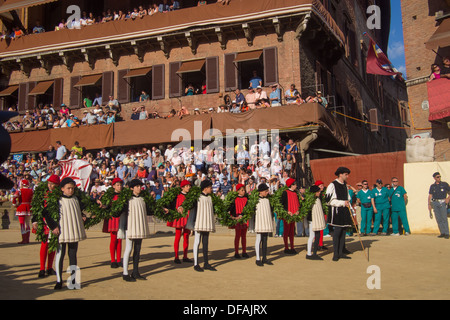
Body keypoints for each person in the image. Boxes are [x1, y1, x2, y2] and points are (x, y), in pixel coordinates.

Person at [42, 178, 87, 290]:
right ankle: (59, 280)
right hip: (61, 231)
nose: (70, 190)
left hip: (73, 231)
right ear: (62, 189)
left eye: (72, 188)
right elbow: (46, 213)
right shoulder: (57, 200)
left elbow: (81, 209)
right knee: (60, 255)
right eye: (68, 188)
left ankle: (73, 280)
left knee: (73, 255)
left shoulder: (76, 199)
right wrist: (53, 226)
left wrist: (83, 215)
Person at [116, 179, 153, 281]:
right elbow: (117, 212)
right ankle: (125, 273)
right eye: (136, 186)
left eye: (140, 186)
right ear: (132, 188)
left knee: (137, 250)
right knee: (128, 249)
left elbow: (149, 211)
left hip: (139, 227)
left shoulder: (143, 199)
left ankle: (135, 272)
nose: (139, 188)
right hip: (130, 227)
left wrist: (162, 209)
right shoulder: (127, 200)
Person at [184, 179, 217, 272]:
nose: (212, 189)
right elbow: (190, 206)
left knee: (206, 243)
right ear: (205, 188)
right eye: (210, 187)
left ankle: (206, 263)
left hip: (207, 222)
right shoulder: (197, 197)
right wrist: (182, 207)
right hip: (199, 222)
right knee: (197, 241)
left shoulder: (211, 198)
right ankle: (196, 264)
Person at [32, 175, 60, 277]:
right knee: (44, 244)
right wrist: (34, 220)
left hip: (54, 221)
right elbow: (37, 207)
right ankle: (41, 268)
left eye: (53, 184)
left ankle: (49, 267)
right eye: (49, 183)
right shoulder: (42, 194)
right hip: (44, 222)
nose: (50, 186)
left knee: (52, 245)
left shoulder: (58, 195)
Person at [325, 167, 353, 262]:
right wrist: (342, 203)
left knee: (343, 232)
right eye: (346, 174)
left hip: (344, 211)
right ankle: (335, 254)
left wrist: (347, 202)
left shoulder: (345, 185)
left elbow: (348, 197)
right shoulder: (332, 185)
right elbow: (328, 201)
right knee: (337, 233)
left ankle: (341, 252)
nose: (347, 176)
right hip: (336, 212)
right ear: (340, 174)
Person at [164, 180, 192, 264]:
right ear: (182, 187)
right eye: (187, 186)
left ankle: (185, 256)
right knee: (178, 236)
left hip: (187, 217)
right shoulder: (177, 195)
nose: (189, 187)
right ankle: (176, 256)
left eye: (189, 186)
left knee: (186, 236)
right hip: (179, 217)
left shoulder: (191, 196)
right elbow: (172, 204)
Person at [101, 178, 124, 268]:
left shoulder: (124, 196)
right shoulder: (109, 196)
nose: (120, 186)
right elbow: (105, 205)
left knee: (120, 240)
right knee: (113, 239)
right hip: (113, 219)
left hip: (121, 218)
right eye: (117, 185)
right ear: (113, 186)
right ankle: (112, 260)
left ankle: (118, 259)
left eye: (120, 185)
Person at [250, 183, 274, 266]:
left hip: (266, 221)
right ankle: (257, 258)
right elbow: (251, 211)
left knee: (265, 239)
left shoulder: (268, 200)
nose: (267, 192)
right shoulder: (256, 200)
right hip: (260, 222)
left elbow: (271, 209)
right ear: (260, 192)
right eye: (265, 191)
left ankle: (264, 258)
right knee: (259, 239)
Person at [306, 185, 327, 260]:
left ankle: (314, 253)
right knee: (312, 236)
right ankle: (309, 253)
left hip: (317, 220)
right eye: (318, 191)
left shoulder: (318, 198)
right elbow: (308, 211)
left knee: (317, 236)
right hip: (312, 220)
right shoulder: (310, 199)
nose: (319, 192)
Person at [229, 184, 249, 259]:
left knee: (244, 236)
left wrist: (243, 215)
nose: (243, 191)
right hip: (237, 219)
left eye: (244, 190)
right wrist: (234, 217)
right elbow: (231, 209)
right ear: (238, 191)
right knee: (237, 236)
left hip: (244, 219)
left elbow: (247, 208)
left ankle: (244, 251)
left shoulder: (246, 199)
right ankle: (236, 252)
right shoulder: (234, 199)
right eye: (242, 190)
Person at [428, 172, 450, 239]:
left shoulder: (444, 184)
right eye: (437, 177)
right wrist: (429, 204)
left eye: (439, 176)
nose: (439, 178)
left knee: (444, 218)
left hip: (442, 202)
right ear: (434, 178)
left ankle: (447, 233)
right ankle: (442, 232)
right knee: (438, 218)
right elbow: (430, 195)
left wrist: (448, 198)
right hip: (435, 202)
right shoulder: (432, 186)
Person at [280, 178, 299, 254]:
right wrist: (287, 211)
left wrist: (297, 210)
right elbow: (281, 203)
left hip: (294, 214)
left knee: (292, 231)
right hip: (287, 215)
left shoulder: (295, 193)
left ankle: (292, 247)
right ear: (291, 185)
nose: (296, 186)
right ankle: (286, 247)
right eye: (295, 184)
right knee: (286, 231)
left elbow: (297, 203)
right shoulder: (285, 193)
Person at [13, 179, 33, 244]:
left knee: (22, 224)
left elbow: (14, 197)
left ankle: (24, 239)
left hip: (21, 207)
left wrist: (15, 204)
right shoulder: (31, 190)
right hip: (29, 207)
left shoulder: (20, 191)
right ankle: (27, 239)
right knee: (27, 224)